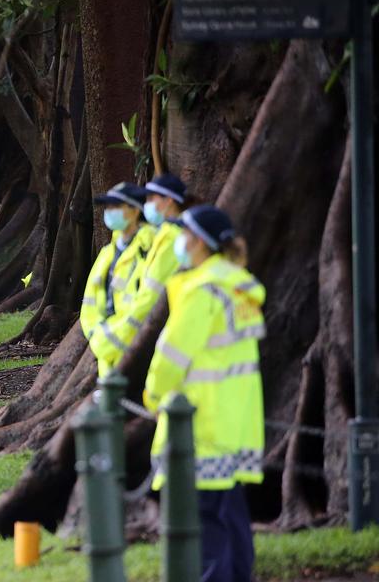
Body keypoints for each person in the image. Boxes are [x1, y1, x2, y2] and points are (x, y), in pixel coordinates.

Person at [143, 205, 264, 582]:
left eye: (183, 234)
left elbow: (170, 359)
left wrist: (153, 396)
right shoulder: (239, 285)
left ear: (197, 242)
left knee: (206, 528)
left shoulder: (201, 291)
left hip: (200, 424)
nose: (179, 241)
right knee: (232, 519)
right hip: (235, 421)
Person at [97, 173, 190, 371]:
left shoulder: (172, 237)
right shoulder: (164, 234)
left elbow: (151, 292)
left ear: (169, 201)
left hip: (137, 330)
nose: (146, 204)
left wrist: (117, 333)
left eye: (151, 199)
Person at [81, 182, 156, 378]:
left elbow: (147, 301)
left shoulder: (150, 248)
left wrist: (113, 337)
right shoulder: (107, 253)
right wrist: (97, 336)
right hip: (104, 347)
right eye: (108, 206)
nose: (109, 211)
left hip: (137, 347)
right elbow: (89, 301)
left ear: (134, 210)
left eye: (116, 206)